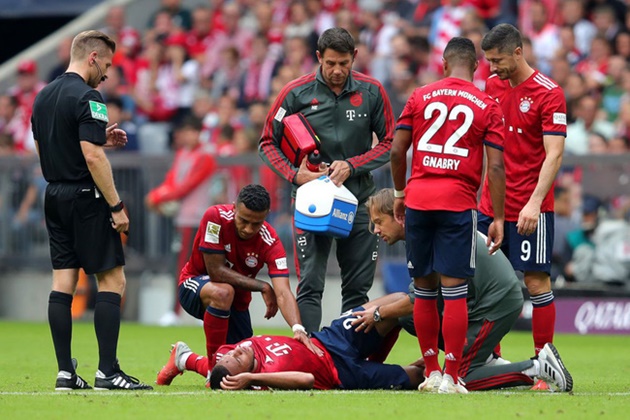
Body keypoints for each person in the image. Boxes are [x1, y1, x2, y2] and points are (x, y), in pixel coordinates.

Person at [353, 188, 572, 392]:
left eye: (379, 222)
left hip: (496, 303)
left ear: (399, 215)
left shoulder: (424, 233)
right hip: (479, 301)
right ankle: (482, 359)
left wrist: (379, 313)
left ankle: (537, 368)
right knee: (406, 317)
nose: (376, 230)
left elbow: (416, 300)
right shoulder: (422, 229)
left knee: (457, 377)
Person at [31, 30, 152, 390]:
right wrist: (116, 205)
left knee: (63, 281)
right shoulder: (89, 96)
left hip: (54, 193)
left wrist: (99, 141)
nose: (107, 74)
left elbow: (46, 147)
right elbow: (92, 156)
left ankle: (65, 373)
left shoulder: (42, 96)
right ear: (93, 57)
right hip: (86, 196)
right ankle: (107, 372)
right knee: (112, 280)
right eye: (107, 65)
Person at [259, 27, 395, 333]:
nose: (337, 70)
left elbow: (391, 143)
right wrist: (294, 174)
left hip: (359, 201)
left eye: (344, 63)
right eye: (330, 63)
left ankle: (347, 354)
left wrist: (352, 165)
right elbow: (267, 142)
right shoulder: (295, 92)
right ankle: (310, 352)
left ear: (354, 57)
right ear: (319, 57)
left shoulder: (372, 91)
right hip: (312, 200)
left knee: (357, 288)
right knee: (310, 284)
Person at [389, 37, 506, 393]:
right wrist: (498, 217)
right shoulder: (487, 105)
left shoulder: (419, 96)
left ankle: (431, 371)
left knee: (424, 290)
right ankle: (453, 376)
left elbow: (396, 151)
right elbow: (496, 167)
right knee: (455, 292)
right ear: (476, 66)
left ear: (443, 64)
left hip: (419, 201)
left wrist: (399, 194)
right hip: (457, 204)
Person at [156, 184, 319, 386]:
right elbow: (215, 271)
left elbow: (283, 292)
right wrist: (262, 286)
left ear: (266, 216)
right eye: (243, 220)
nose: (248, 229)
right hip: (194, 285)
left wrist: (298, 328)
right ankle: (211, 372)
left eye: (256, 223)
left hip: (236, 305)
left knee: (242, 366)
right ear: (234, 207)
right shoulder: (215, 217)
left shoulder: (270, 242)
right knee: (223, 292)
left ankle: (184, 358)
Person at [478, 24, 567, 389]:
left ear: (518, 52)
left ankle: (544, 365)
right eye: (488, 61)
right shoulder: (491, 86)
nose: (492, 67)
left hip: (531, 207)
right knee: (485, 282)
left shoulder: (549, 93)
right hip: (491, 206)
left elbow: (554, 154)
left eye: (498, 60)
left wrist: (534, 203)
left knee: (535, 282)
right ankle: (490, 361)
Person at [166, 293, 426, 390]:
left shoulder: (229, 351)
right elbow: (307, 380)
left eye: (229, 354)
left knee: (397, 301)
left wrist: (191, 360)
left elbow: (216, 367)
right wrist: (252, 379)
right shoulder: (267, 375)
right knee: (417, 377)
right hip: (343, 373)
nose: (236, 351)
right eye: (237, 359)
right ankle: (440, 364)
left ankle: (183, 358)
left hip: (331, 338)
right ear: (244, 377)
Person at [145, 116, 216, 324]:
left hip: (199, 218)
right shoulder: (182, 154)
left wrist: (156, 197)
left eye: (191, 131)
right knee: (181, 266)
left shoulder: (206, 156)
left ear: (198, 133)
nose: (187, 136)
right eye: (185, 132)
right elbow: (172, 181)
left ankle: (202, 311)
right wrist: (159, 195)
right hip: (183, 219)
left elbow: (185, 186)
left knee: (204, 266)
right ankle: (177, 311)